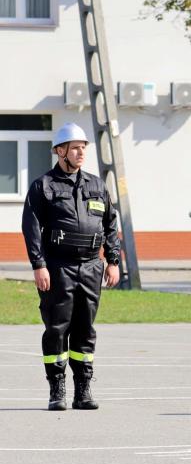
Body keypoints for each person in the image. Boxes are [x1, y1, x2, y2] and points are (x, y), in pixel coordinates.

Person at [21, 123, 121, 411]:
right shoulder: (43, 186)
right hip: (58, 267)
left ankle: (83, 390)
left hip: (91, 267)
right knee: (57, 328)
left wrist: (113, 261)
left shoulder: (97, 185)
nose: (81, 153)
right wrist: (39, 265)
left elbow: (110, 225)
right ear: (60, 151)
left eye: (83, 147)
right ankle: (57, 389)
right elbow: (31, 228)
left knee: (85, 329)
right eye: (75, 148)